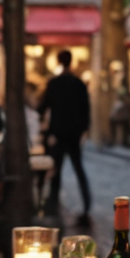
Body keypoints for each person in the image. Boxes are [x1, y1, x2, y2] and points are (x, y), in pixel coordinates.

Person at [37, 49, 92, 220]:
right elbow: (86, 110)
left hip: (59, 133)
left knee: (57, 170)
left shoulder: (54, 83)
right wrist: (83, 129)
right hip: (74, 133)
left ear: (58, 61)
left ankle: (53, 207)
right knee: (78, 169)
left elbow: (44, 106)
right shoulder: (78, 83)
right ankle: (86, 204)